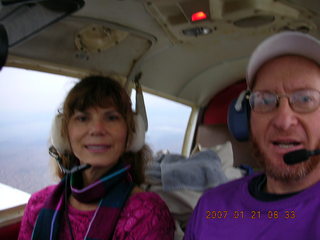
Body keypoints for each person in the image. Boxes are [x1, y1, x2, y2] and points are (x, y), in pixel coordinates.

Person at [184, 31, 320, 239]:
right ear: (248, 117)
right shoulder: (211, 208)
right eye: (265, 100)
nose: (284, 121)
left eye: (305, 99)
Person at [18, 76, 175, 240]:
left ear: (132, 134)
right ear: (63, 135)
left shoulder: (147, 214)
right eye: (83, 118)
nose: (97, 129)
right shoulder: (38, 204)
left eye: (111, 117)